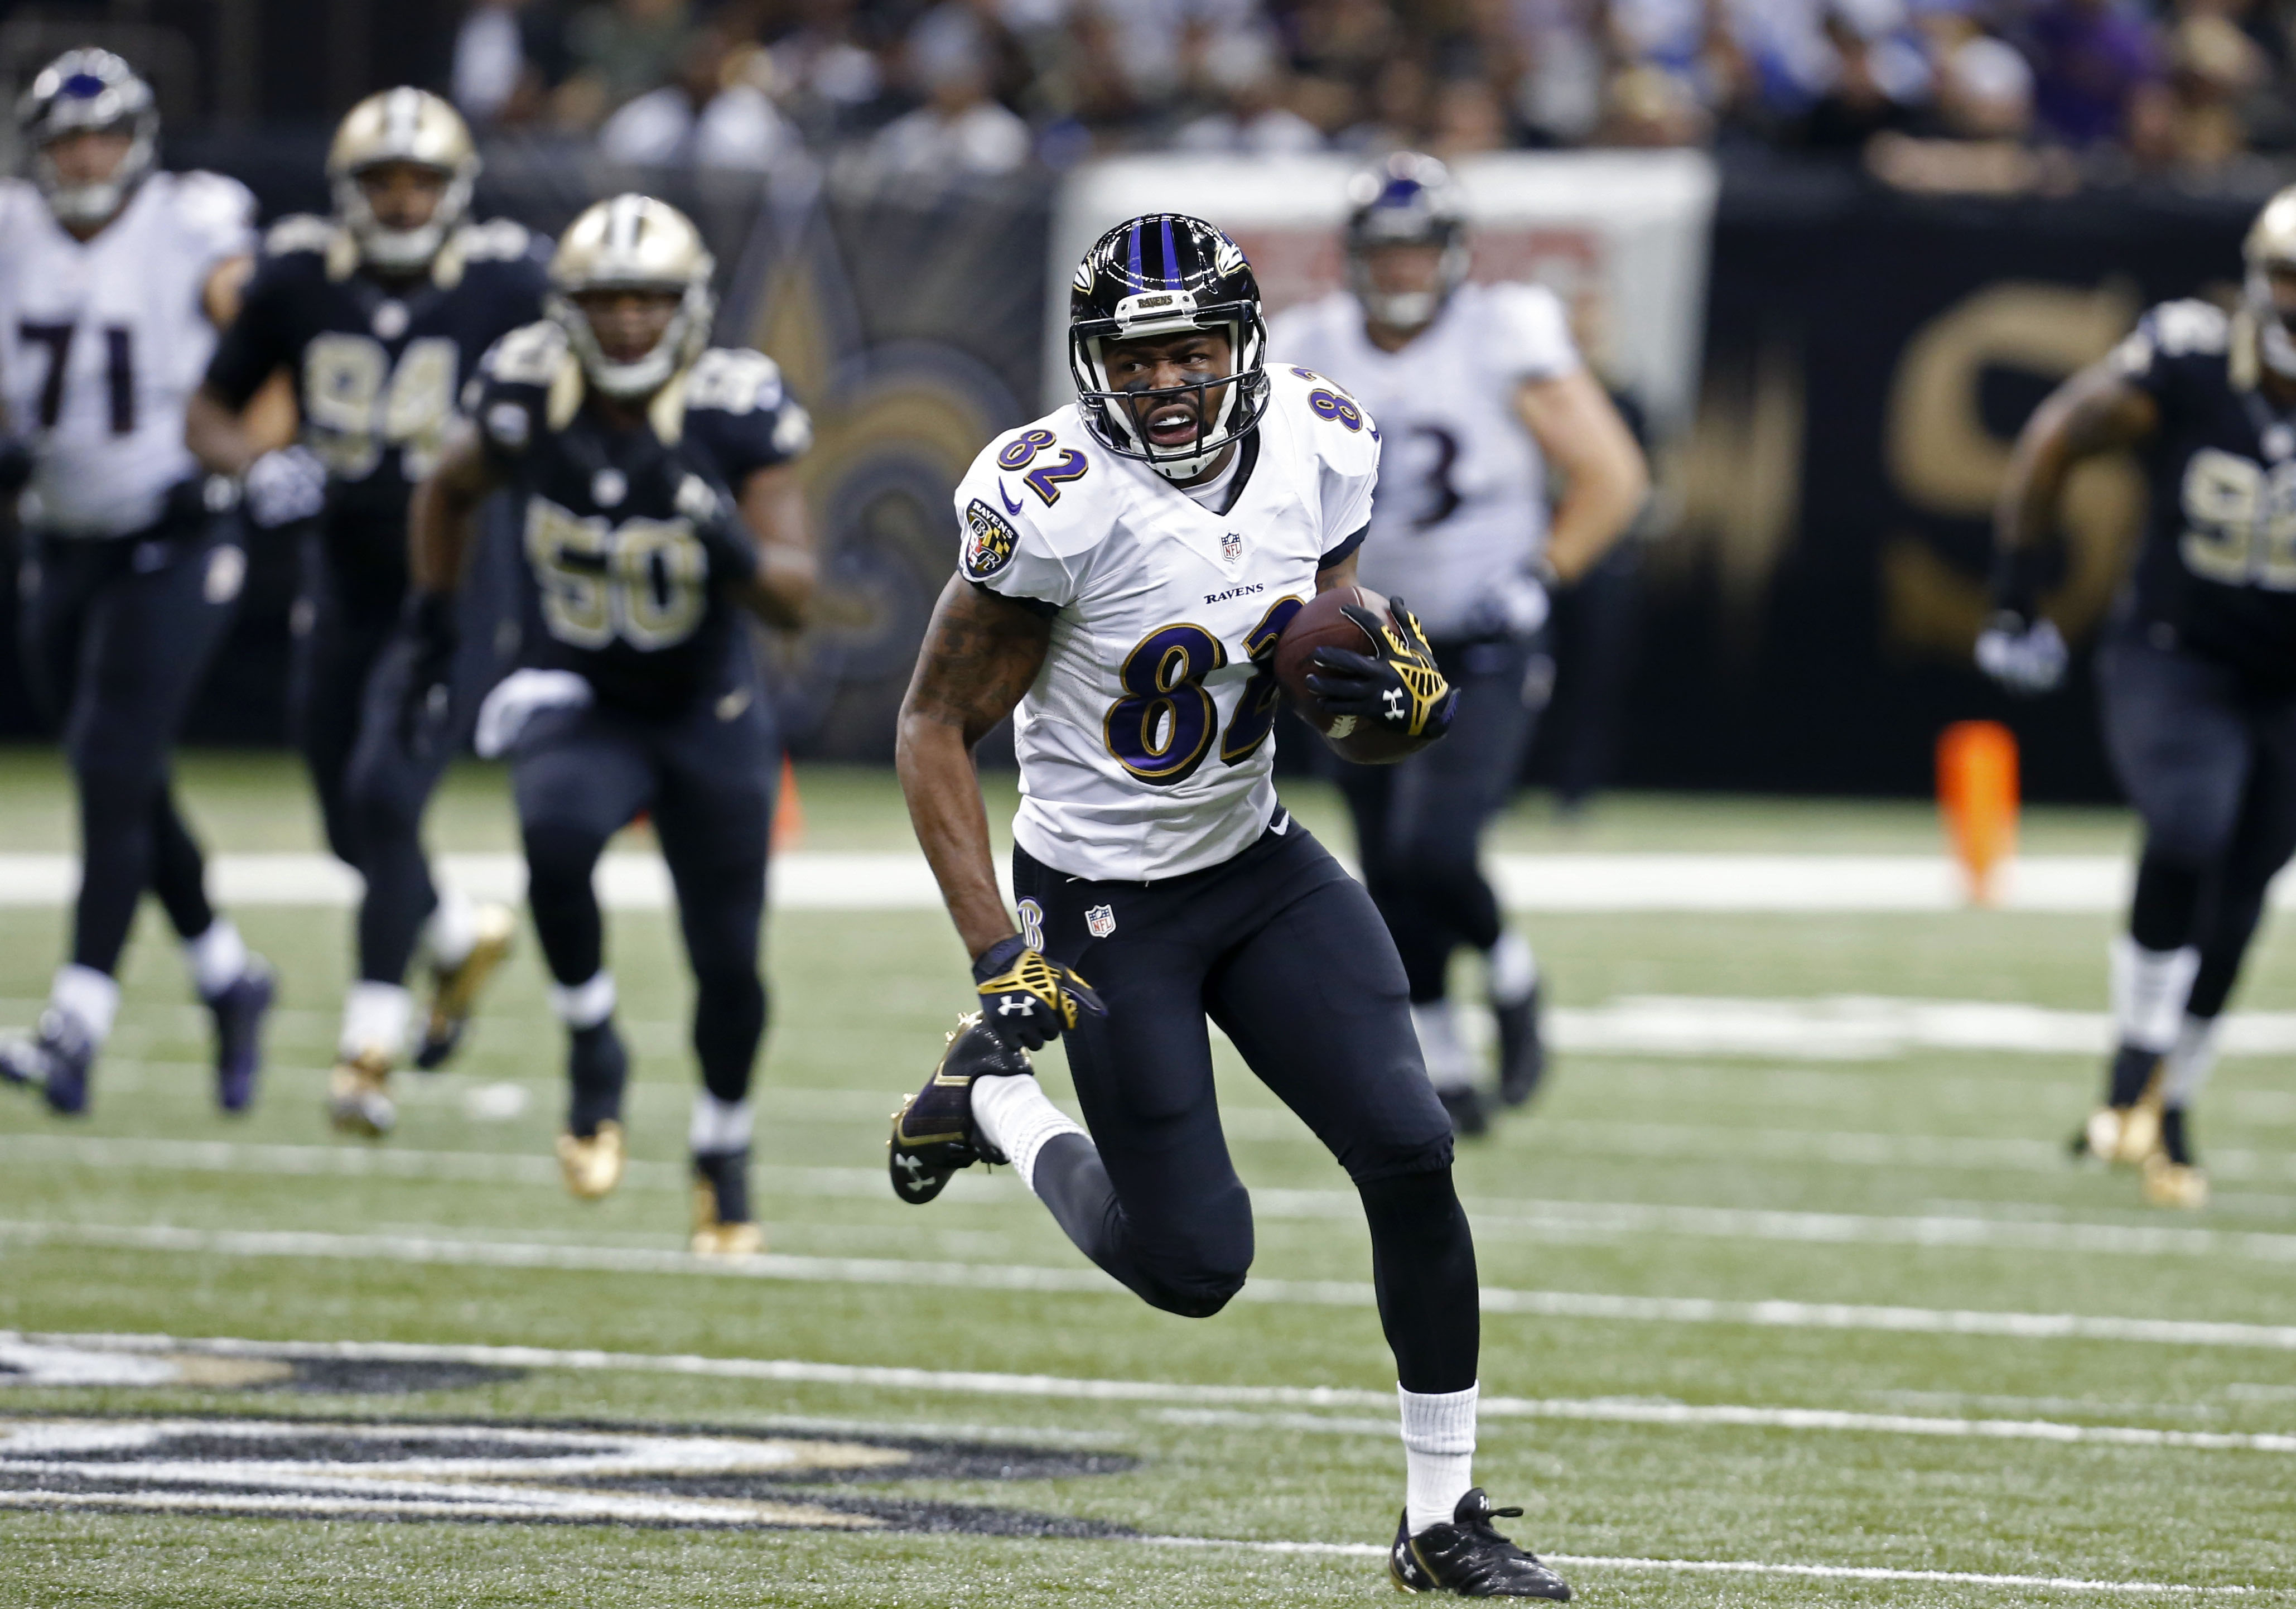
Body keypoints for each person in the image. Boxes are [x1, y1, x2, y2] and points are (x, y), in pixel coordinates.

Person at [888, 213, 1573, 1598]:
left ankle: (1441, 1515)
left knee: (1412, 1145)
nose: (1171, 382)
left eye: (1195, 347)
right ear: (1093, 366)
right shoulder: (1052, 497)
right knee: (1196, 1264)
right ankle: (994, 1101)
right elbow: (929, 725)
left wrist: (1397, 714)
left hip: (1255, 862)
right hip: (1102, 899)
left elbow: (1324, 686)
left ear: (1246, 343)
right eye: (1137, 359)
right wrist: (995, 950)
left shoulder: (1324, 443)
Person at [409, 194, 814, 1252]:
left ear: (689, 306)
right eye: (606, 298)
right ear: (568, 305)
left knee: (728, 963)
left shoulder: (734, 404)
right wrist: (429, 626)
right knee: (551, 837)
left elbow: (795, 591)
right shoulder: (529, 386)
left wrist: (724, 538)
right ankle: (594, 1044)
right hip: (580, 690)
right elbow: (446, 490)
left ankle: (723, 1147)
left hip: (707, 707)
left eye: (650, 299)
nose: (630, 319)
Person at [186, 88, 544, 1138]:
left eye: (419, 182)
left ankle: (368, 1048)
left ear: (456, 192)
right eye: (381, 183)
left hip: (455, 586)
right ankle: (453, 929)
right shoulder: (297, 276)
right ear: (348, 192)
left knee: (387, 797)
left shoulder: (509, 280)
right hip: (342, 581)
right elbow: (210, 410)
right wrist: (259, 464)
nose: (399, 201)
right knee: (348, 820)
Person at [1270, 155, 1648, 1131]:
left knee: (1435, 849)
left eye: (1418, 248)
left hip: (1482, 632)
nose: (1401, 269)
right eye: (1386, 250)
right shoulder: (1313, 345)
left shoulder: (1504, 330)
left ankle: (1512, 975)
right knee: (1384, 864)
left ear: (1453, 253)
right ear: (1357, 257)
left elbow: (1612, 475)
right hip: (1363, 636)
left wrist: (1541, 574)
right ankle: (1444, 1065)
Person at [1979, 185, 2296, 1211]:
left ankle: (2170, 1106)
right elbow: (2055, 439)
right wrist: (2019, 596)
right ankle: (2131, 1067)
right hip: (2180, 648)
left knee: (2247, 888)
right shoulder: (2194, 357)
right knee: (2190, 824)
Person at [0, 50, 276, 1115]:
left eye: (102, 134)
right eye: (67, 138)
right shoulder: (16, 232)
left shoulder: (193, 224)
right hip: (60, 540)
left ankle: (79, 1021)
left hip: (175, 532)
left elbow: (258, 328)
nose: (85, 155)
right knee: (123, 774)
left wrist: (263, 450)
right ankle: (229, 976)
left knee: (112, 761)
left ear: (140, 138)